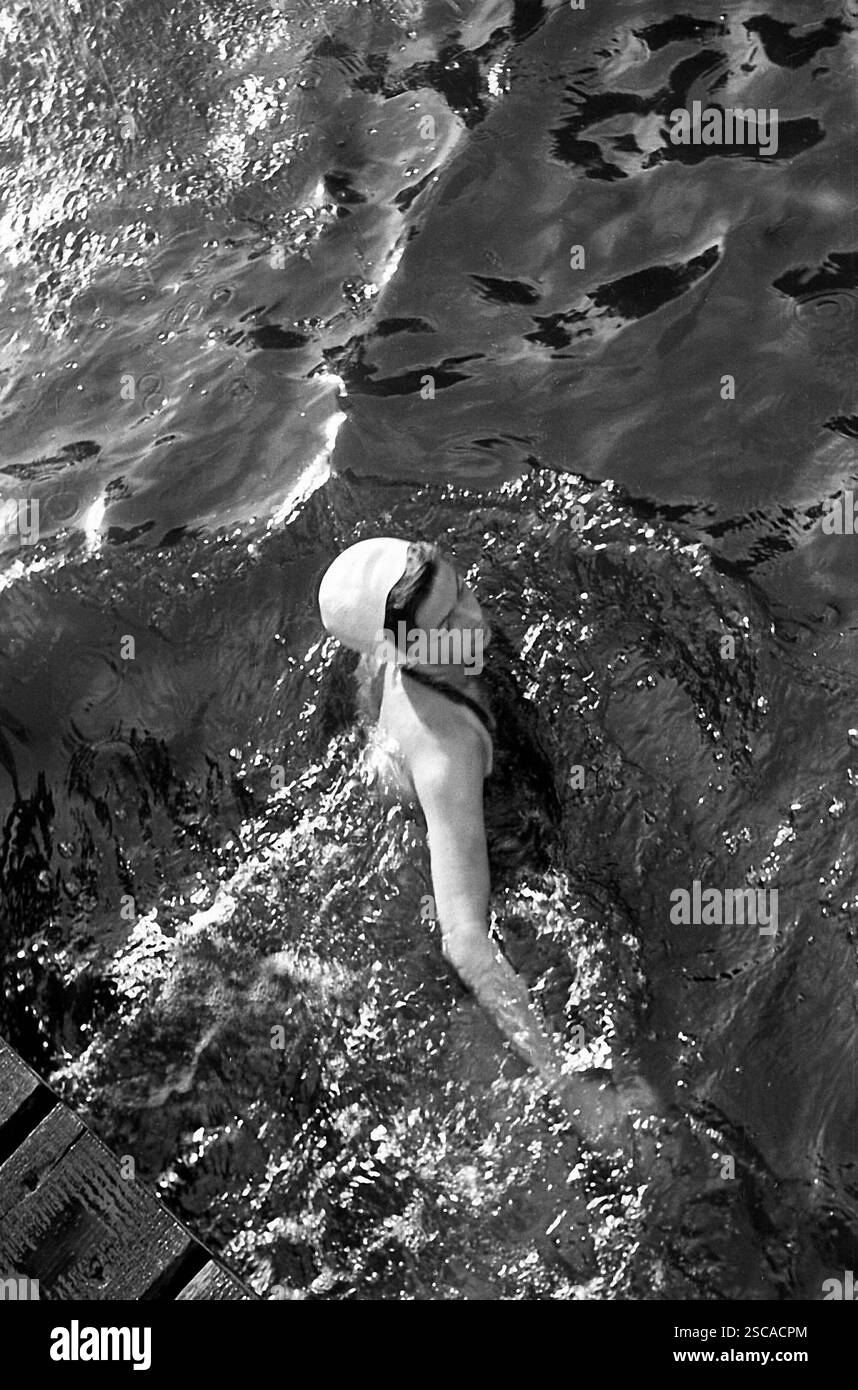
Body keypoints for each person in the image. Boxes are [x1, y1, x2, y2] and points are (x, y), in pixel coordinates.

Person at [318, 536, 654, 1154]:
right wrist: (569, 1086)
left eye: (463, 592)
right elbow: (466, 939)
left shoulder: (400, 639)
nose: (472, 617)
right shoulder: (447, 751)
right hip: (486, 849)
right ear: (399, 649)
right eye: (446, 621)